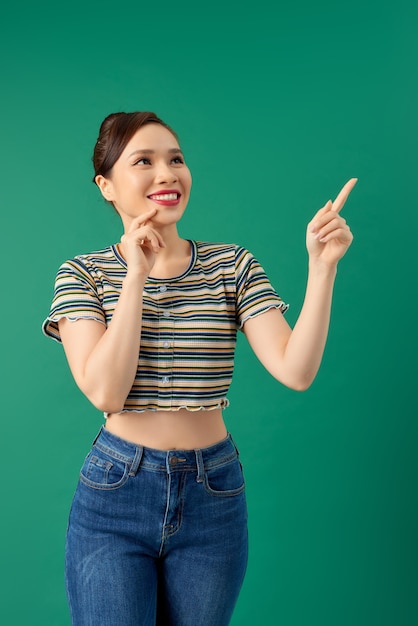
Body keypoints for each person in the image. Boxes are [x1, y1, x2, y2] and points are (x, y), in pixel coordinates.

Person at [42, 111, 356, 626]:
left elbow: (295, 370)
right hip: (116, 494)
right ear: (107, 186)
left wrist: (321, 270)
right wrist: (136, 276)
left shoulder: (232, 265)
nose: (167, 173)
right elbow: (105, 392)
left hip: (214, 492)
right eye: (144, 161)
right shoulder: (83, 273)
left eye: (176, 159)